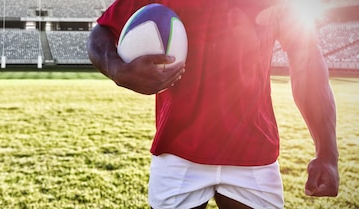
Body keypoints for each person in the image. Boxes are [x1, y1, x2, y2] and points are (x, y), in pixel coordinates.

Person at [86, 0, 339, 208]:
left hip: (253, 151)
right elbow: (102, 31)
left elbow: (306, 60)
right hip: (179, 150)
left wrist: (327, 153)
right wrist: (118, 69)